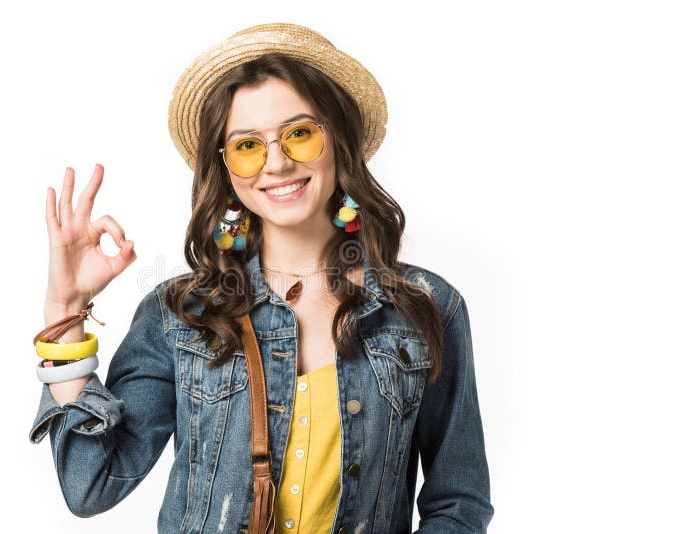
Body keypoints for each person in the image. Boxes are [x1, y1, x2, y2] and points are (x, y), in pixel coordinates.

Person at [29, 23, 494, 533]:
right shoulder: (179, 315)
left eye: (299, 133)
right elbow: (90, 485)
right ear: (226, 168)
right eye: (248, 145)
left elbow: (458, 502)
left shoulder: (426, 308)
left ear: (337, 138)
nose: (275, 163)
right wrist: (63, 313)